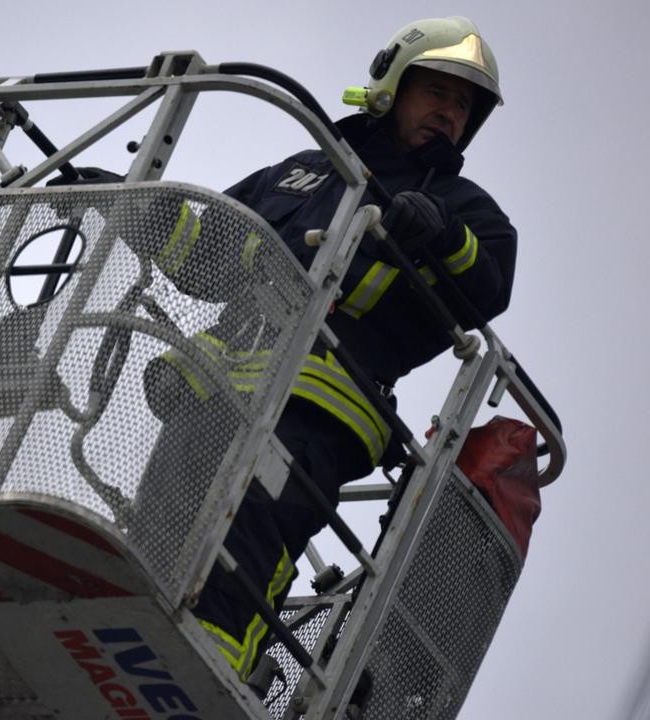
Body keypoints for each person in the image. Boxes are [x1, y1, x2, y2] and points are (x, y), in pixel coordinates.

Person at [172, 15, 518, 681]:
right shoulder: (303, 169)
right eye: (438, 92)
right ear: (392, 85)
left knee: (241, 550)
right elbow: (205, 251)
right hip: (210, 394)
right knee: (162, 529)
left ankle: (200, 683)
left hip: (317, 415)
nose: (450, 113)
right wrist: (132, 209)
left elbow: (490, 283)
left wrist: (440, 233)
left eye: (463, 105)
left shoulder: (466, 207)